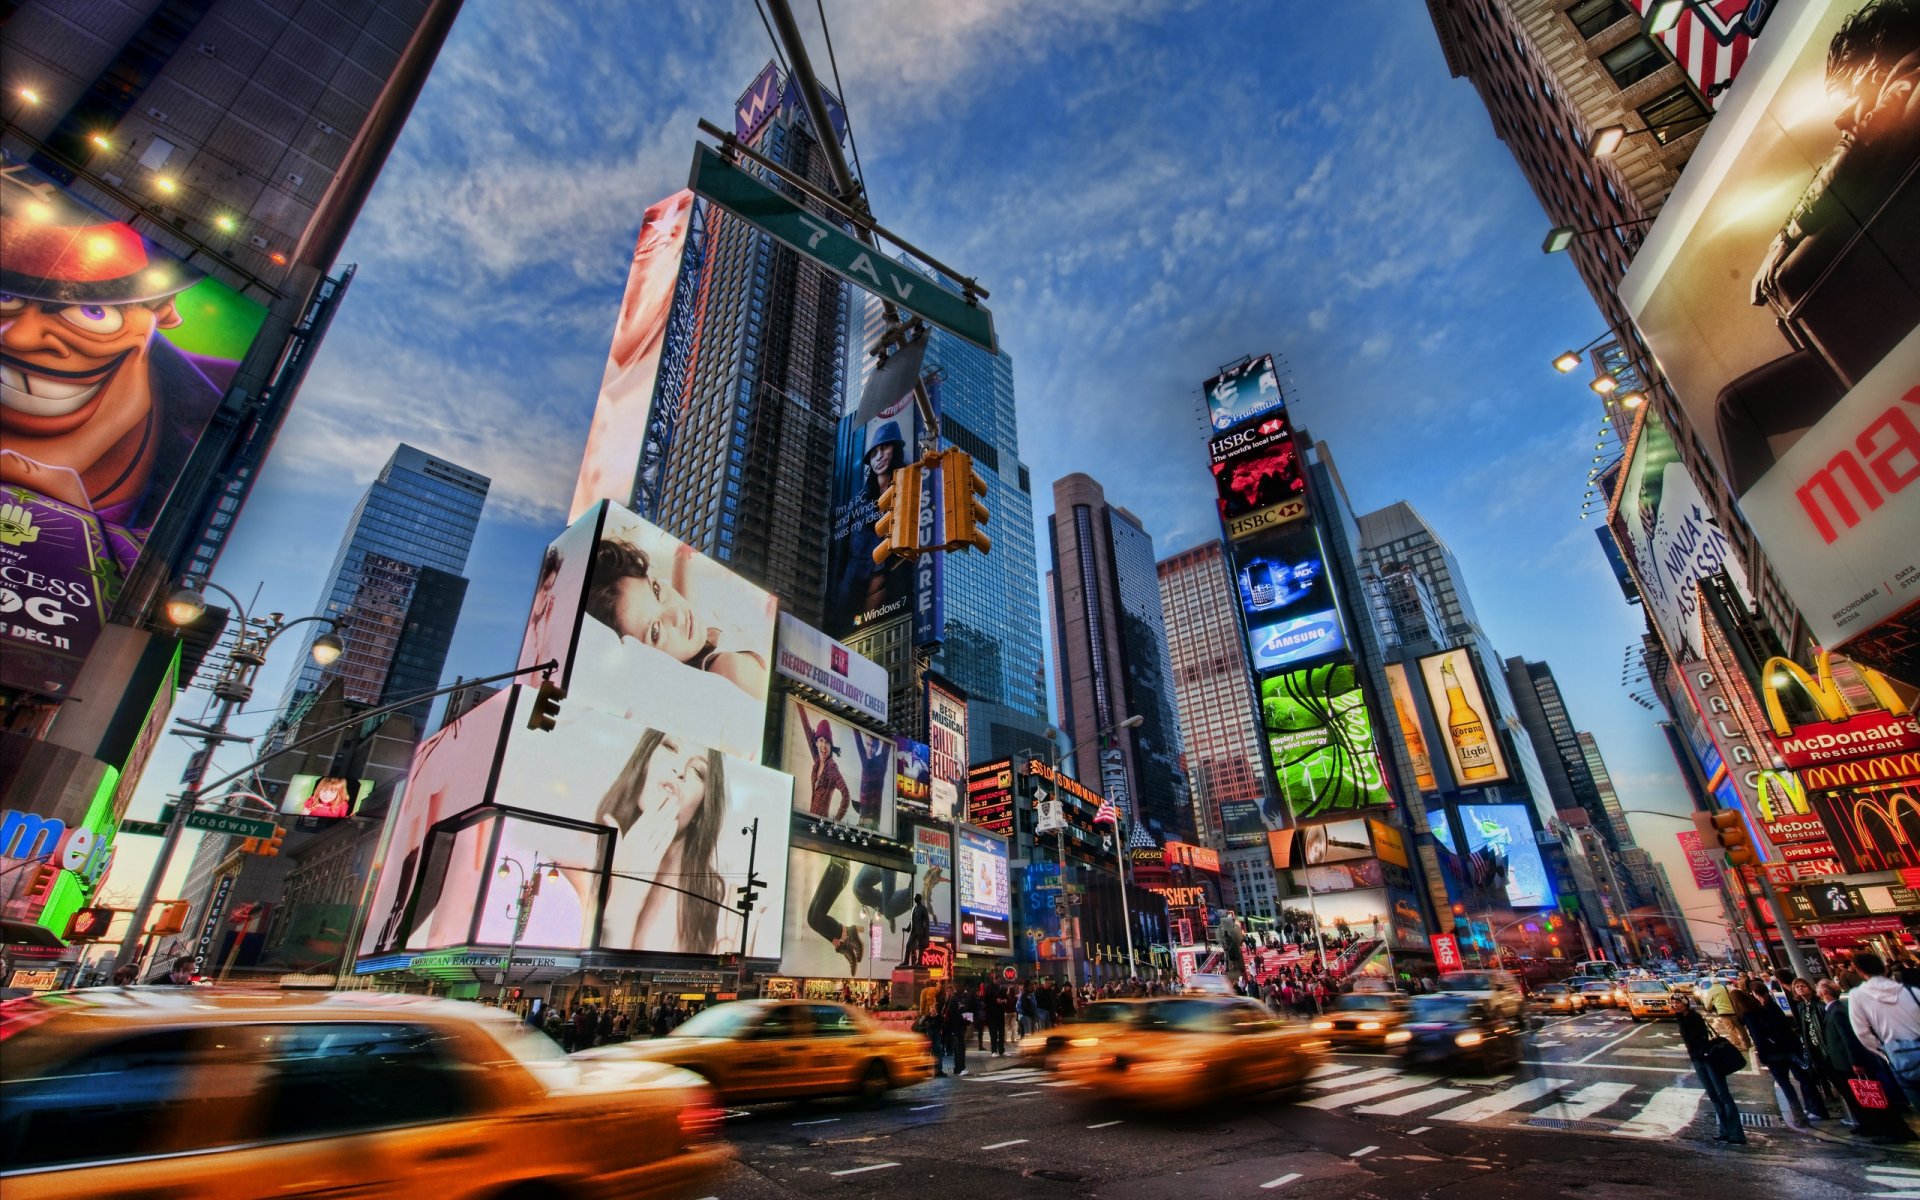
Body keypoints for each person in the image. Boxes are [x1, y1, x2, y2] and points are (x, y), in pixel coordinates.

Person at [584, 536, 768, 697]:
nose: (678, 615)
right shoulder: (730, 669)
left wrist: (682, 559)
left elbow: (683, 603)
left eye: (656, 591)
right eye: (655, 631)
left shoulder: (689, 642)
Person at [595, 730, 726, 955]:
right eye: (670, 747)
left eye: (697, 770)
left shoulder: (715, 901)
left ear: (702, 807)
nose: (680, 770)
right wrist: (624, 898)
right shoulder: (585, 852)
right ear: (644, 759)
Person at [1826, 975, 1918, 1144]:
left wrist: (1862, 1058)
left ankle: (1896, 1131)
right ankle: (1885, 1128)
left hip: (1874, 1059)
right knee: (1873, 1098)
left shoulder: (1843, 1007)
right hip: (1889, 1055)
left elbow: (1854, 1036)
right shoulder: (1910, 993)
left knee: (1878, 1098)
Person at [1741, 976, 1829, 1124]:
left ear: (1752, 994)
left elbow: (1758, 1038)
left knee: (1786, 1084)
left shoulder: (1751, 1013)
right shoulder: (1773, 1006)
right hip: (1790, 1049)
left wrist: (1762, 1056)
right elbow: (1785, 1027)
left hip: (1773, 1054)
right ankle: (1818, 1110)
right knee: (1804, 1079)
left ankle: (1799, 1115)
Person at [1849, 950, 1920, 1110]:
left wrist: (1885, 1052)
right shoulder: (1911, 991)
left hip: (1899, 1057)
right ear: (1885, 968)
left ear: (1860, 972)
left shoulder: (1857, 995)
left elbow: (1862, 1032)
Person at [1674, 995, 1747, 1144]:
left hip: (1709, 1059)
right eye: (1673, 1003)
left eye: (1677, 1003)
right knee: (1714, 1095)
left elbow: (1694, 1038)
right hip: (1698, 1060)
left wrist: (1681, 1020)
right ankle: (1724, 1130)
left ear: (1685, 1004)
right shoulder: (1682, 1018)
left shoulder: (1694, 1018)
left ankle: (1736, 1133)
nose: (1675, 1005)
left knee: (1723, 1095)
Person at [919, 980, 947, 1076]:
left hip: (928, 1022)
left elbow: (922, 1005)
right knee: (937, 1049)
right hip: (935, 1023)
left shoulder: (923, 991)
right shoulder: (933, 990)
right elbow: (934, 1005)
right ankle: (938, 1070)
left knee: (927, 1049)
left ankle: (925, 1070)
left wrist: (922, 1015)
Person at [944, 982, 971, 1077]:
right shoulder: (956, 999)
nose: (963, 989)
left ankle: (957, 1068)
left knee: (957, 1047)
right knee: (960, 1048)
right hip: (957, 1027)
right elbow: (956, 1014)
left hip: (957, 1027)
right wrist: (965, 1021)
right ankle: (961, 1068)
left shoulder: (957, 998)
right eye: (962, 987)